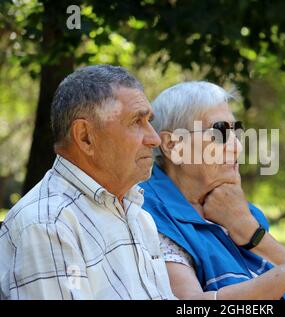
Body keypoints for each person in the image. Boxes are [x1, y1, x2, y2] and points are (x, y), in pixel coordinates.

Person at [140, 81, 285, 300]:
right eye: (220, 132)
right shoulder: (148, 212)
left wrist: (249, 231)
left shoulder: (241, 211)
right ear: (173, 145)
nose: (237, 146)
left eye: (236, 132)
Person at [0, 65, 175, 300]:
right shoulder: (48, 224)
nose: (154, 138)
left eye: (149, 121)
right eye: (136, 122)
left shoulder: (137, 214)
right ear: (85, 137)